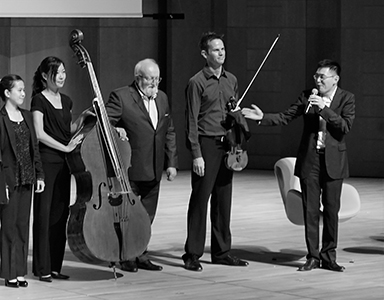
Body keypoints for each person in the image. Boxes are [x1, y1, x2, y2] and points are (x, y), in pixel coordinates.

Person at [242, 59, 355, 272]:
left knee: (331, 211)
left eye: (322, 77)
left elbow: (345, 126)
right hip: (310, 161)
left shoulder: (346, 98)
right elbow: (286, 117)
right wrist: (262, 118)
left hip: (333, 162)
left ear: (335, 79)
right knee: (310, 210)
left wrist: (324, 109)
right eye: (316, 76)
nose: (318, 80)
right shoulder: (307, 96)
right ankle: (312, 256)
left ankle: (329, 256)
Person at [182, 32, 249, 272]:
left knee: (224, 200)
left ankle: (221, 252)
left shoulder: (231, 79)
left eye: (223, 49)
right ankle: (192, 253)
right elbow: (191, 120)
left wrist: (237, 114)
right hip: (207, 145)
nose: (221, 53)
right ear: (204, 54)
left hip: (228, 145)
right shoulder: (196, 82)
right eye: (216, 50)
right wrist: (196, 154)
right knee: (200, 200)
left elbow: (235, 110)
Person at [105, 58, 178, 272]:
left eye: (157, 78)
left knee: (147, 216)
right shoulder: (121, 97)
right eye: (150, 78)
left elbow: (169, 130)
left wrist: (171, 162)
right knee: (128, 215)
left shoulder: (162, 98)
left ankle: (141, 253)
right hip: (130, 168)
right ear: (138, 78)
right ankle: (126, 255)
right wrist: (116, 130)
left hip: (154, 168)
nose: (154, 83)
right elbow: (104, 121)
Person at [31, 56, 84, 282]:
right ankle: (41, 268)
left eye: (64, 72)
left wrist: (83, 118)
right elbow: (40, 134)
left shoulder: (67, 100)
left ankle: (54, 266)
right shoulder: (38, 100)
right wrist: (65, 146)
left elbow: (67, 129)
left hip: (64, 164)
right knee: (43, 215)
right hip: (46, 162)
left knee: (60, 215)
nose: (62, 76)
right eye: (57, 72)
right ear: (45, 76)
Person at [0, 75, 45, 288]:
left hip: (27, 178)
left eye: (24, 89)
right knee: (8, 228)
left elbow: (34, 148)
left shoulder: (26, 116)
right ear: (7, 93)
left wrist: (40, 175)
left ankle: (20, 271)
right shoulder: (0, 119)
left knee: (22, 226)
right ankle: (9, 273)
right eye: (19, 90)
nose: (23, 93)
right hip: (9, 181)